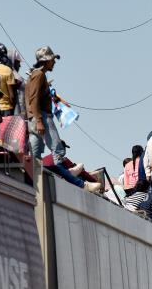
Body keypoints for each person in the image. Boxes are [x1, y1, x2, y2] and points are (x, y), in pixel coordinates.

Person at [23, 46, 100, 191]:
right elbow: (33, 100)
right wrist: (40, 121)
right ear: (46, 61)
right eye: (52, 60)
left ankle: (37, 182)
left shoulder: (34, 75)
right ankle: (72, 177)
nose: (54, 62)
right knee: (57, 150)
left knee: (35, 156)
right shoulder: (39, 75)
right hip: (42, 117)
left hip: (32, 118)